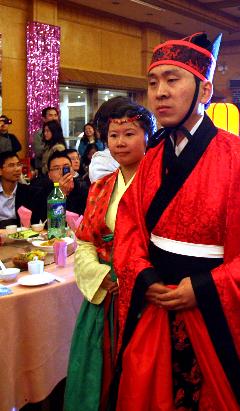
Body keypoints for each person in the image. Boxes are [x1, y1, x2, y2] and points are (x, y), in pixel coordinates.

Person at [112, 32, 240, 410]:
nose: (160, 92)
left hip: (212, 306)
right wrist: (144, 277)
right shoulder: (151, 159)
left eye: (172, 79)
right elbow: (129, 226)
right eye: (153, 82)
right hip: (157, 299)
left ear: (205, 89)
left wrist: (206, 287)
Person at [64, 98, 154, 411]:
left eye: (129, 134)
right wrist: (101, 275)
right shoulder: (101, 187)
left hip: (147, 295)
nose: (120, 143)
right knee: (96, 375)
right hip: (106, 296)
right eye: (113, 136)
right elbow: (86, 239)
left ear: (146, 136)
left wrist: (133, 274)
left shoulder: (161, 183)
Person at [29, 150, 89, 224]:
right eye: (56, 168)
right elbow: (47, 224)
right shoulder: (41, 193)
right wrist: (61, 194)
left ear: (72, 171)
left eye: (66, 168)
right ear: (49, 175)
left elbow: (83, 220)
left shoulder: (83, 190)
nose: (61, 172)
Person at [0, 151, 30, 228]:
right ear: (0, 171)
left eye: (19, 164)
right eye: (11, 165)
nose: (17, 169)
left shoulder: (27, 191)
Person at [33, 106, 59, 172]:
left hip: (57, 168)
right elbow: (38, 153)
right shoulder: (39, 134)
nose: (54, 118)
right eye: (50, 115)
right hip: (43, 169)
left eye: (55, 115)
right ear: (44, 118)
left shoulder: (59, 132)